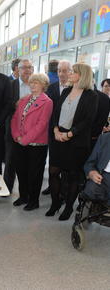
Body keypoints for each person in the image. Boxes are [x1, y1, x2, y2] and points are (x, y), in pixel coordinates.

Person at [46, 63, 98, 221]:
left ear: (82, 75)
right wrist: (55, 129)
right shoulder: (67, 90)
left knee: (72, 175)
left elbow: (88, 120)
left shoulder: (91, 95)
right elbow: (56, 112)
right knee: (53, 172)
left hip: (76, 141)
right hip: (58, 137)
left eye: (73, 72)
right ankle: (55, 203)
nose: (69, 74)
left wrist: (69, 134)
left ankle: (68, 207)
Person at [11, 74, 53, 210]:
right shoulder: (24, 100)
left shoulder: (47, 102)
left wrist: (25, 139)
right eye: (31, 82)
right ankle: (23, 196)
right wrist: (17, 136)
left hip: (37, 144)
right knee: (21, 171)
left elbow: (41, 125)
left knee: (34, 174)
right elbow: (15, 118)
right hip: (20, 142)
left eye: (36, 83)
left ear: (43, 85)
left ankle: (34, 201)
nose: (32, 85)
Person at [42, 60, 72, 196]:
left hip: (69, 133)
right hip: (52, 130)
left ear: (71, 72)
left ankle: (64, 191)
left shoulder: (75, 88)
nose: (61, 74)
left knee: (66, 163)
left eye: (64, 71)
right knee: (53, 160)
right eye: (59, 70)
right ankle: (51, 186)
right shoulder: (52, 88)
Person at [4, 59, 33, 194]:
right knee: (10, 161)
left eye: (29, 67)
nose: (27, 70)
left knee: (27, 162)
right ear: (17, 69)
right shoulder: (10, 85)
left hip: (32, 130)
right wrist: (16, 104)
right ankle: (7, 189)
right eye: (23, 68)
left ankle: (25, 191)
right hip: (13, 129)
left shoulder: (37, 86)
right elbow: (4, 106)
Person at [83, 133, 110, 204]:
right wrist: (91, 173)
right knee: (90, 189)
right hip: (103, 178)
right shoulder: (104, 138)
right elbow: (89, 163)